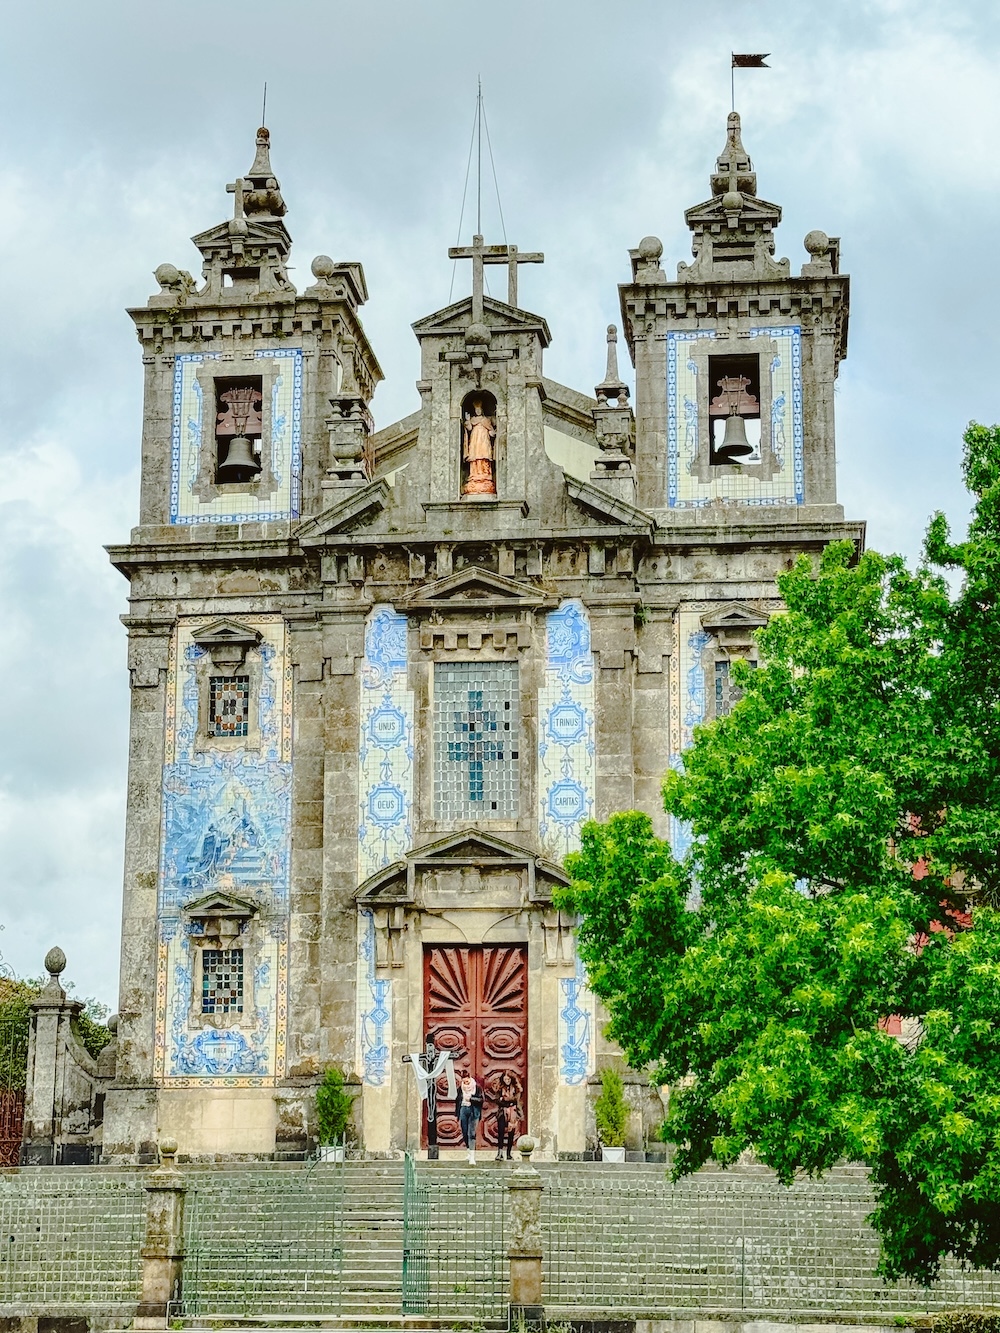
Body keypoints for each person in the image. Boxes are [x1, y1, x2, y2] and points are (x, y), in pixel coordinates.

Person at [462, 400, 496, 495]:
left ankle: (485, 474)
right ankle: (474, 474)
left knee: (484, 456)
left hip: (484, 440)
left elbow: (491, 430)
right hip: (475, 440)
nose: (478, 412)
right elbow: (468, 428)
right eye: (476, 410)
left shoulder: (486, 420)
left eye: (479, 410)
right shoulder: (473, 420)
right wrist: (468, 420)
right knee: (475, 457)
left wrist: (492, 432)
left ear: (481, 410)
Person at [491, 1070, 523, 1161]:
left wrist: (504, 1099)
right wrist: (508, 1102)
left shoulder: (516, 1089)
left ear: (511, 1079)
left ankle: (509, 1153)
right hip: (502, 1113)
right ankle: (500, 1153)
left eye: (508, 1079)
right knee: (500, 1132)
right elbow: (497, 1100)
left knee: (511, 1133)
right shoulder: (500, 1088)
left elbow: (516, 1100)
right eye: (505, 1079)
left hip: (513, 1113)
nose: (507, 1081)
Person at [454, 1070, 484, 1164]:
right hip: (463, 1109)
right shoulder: (460, 1088)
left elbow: (481, 1099)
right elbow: (457, 1100)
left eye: (467, 1081)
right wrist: (457, 1113)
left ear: (469, 1078)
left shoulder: (477, 1088)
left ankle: (472, 1156)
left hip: (474, 1111)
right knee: (464, 1131)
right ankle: (468, 1151)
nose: (465, 1083)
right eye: (464, 1081)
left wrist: (471, 1098)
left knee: (471, 1133)